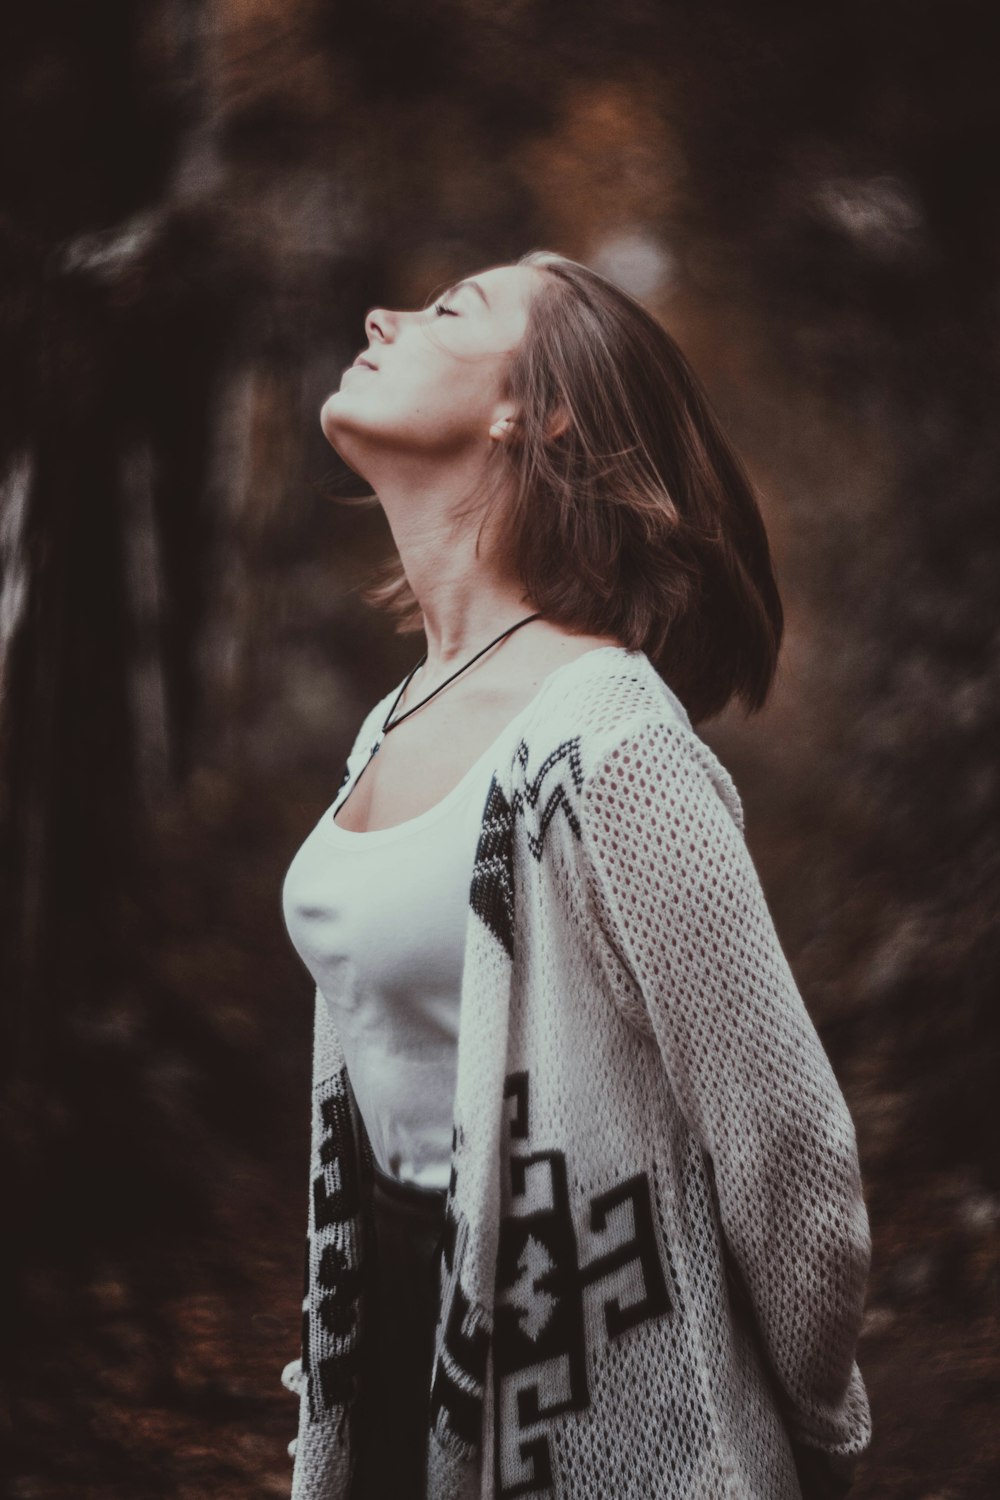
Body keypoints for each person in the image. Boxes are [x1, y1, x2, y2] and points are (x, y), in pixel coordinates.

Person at [279, 251, 873, 1500]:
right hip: (390, 1359)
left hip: (604, 1404)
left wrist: (818, 1440)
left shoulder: (608, 736)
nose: (382, 315)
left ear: (535, 411)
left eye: (449, 311)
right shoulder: (391, 716)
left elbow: (788, 1149)